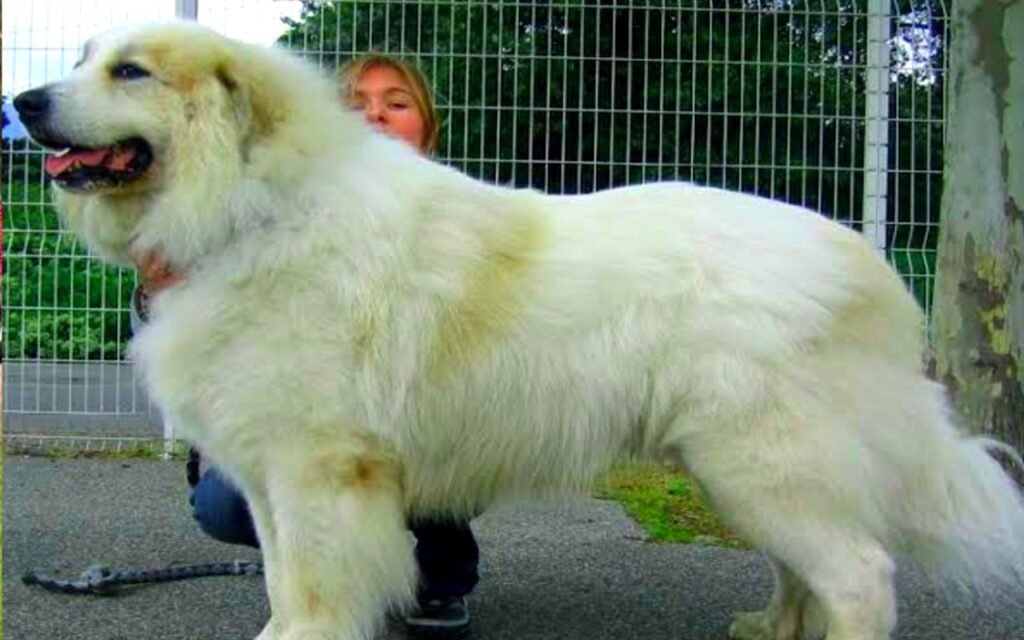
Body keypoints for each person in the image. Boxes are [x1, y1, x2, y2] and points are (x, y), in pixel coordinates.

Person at [131, 53, 477, 639]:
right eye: (355, 104)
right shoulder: (271, 210)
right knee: (245, 490)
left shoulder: (468, 211)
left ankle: (435, 579)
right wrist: (156, 289)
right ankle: (308, 604)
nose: (375, 116)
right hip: (315, 436)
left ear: (429, 126)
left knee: (409, 451)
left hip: (445, 433)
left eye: (396, 104)